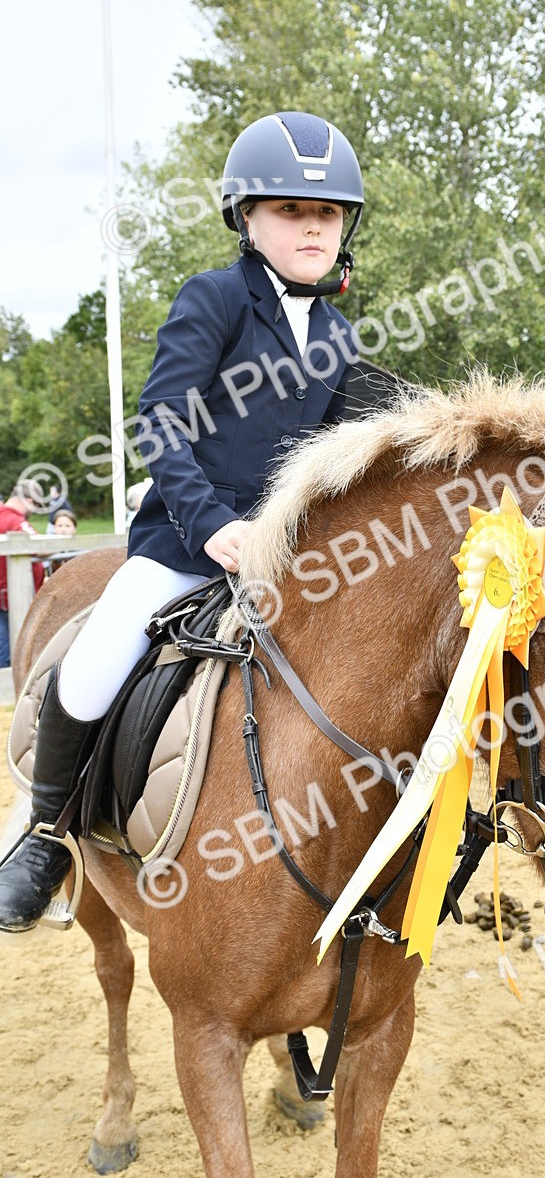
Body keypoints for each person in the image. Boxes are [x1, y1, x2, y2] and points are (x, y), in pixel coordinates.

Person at [0, 111, 364, 931]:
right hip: (187, 546)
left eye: (326, 213)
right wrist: (209, 526)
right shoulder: (216, 298)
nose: (312, 227)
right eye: (290, 211)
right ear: (248, 218)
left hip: (282, 561)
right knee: (94, 662)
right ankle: (46, 836)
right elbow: (161, 420)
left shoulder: (340, 336)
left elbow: (340, 457)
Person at [0, 480, 46, 668]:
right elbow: (39, 545)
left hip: (5, 595)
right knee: (10, 650)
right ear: (28, 500)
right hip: (11, 598)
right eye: (34, 505)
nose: (33, 511)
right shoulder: (14, 520)